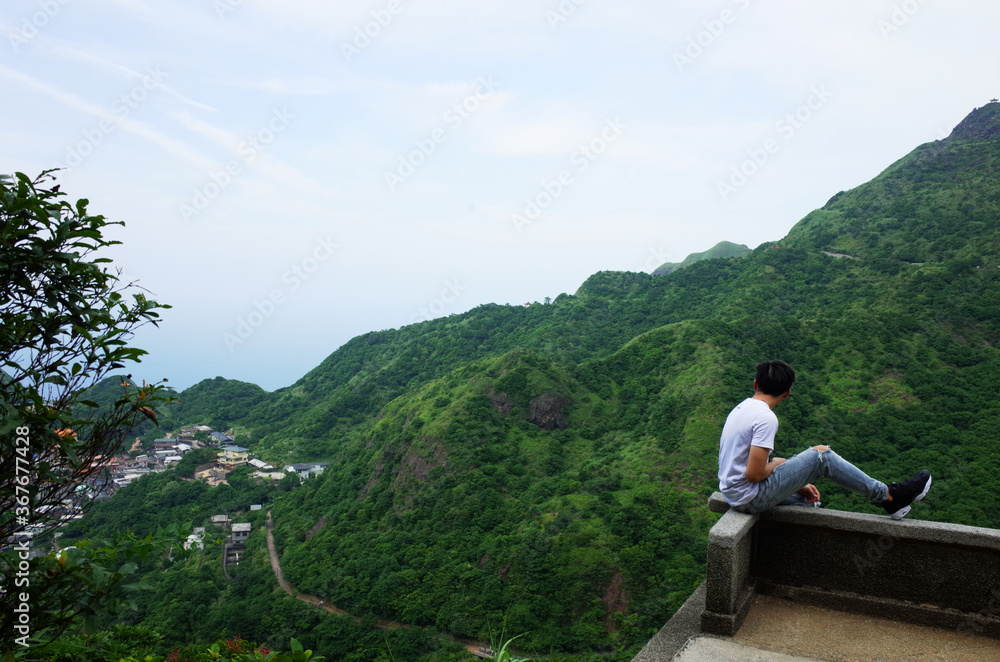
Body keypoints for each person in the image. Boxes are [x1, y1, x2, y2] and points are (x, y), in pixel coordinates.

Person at [718, 360, 932, 520]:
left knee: (808, 500)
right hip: (750, 497)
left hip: (735, 494)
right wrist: (777, 463)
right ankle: (890, 497)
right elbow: (754, 474)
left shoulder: (740, 409)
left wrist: (795, 482)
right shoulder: (765, 418)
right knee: (821, 456)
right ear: (787, 393)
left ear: (755, 383)